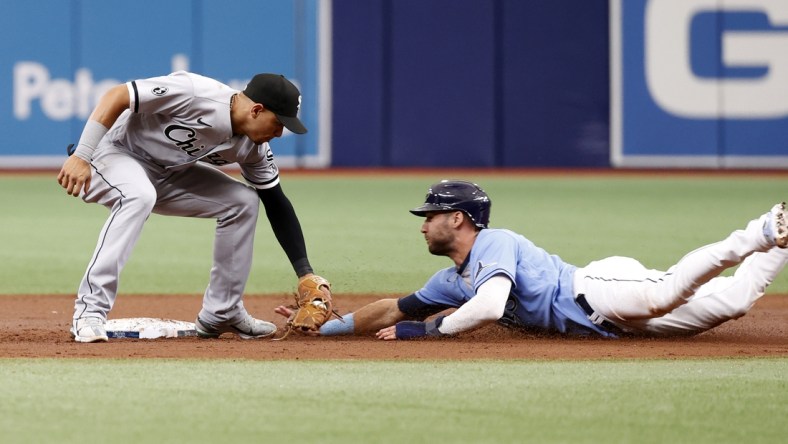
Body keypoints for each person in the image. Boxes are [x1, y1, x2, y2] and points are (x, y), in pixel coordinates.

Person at [277, 179, 787, 340]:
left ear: (459, 219)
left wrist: (427, 332)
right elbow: (393, 307)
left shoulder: (495, 244)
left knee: (661, 293)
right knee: (736, 301)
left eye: (431, 214)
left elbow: (490, 306)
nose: (423, 223)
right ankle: (782, 232)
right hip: (615, 327)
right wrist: (325, 330)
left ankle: (758, 231)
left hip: (595, 289)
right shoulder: (452, 279)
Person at [58, 70, 328, 343]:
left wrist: (305, 272)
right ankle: (89, 312)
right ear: (257, 110)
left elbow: (276, 201)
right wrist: (83, 154)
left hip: (166, 172)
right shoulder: (195, 93)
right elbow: (117, 95)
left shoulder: (253, 148)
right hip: (113, 153)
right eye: (279, 123)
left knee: (242, 202)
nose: (280, 133)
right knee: (138, 196)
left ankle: (222, 312)